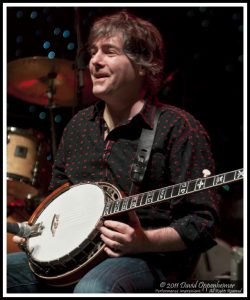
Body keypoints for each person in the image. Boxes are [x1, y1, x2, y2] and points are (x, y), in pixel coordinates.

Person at [7, 9, 219, 293]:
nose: (95, 61)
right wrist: (39, 232)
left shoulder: (179, 128)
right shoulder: (79, 126)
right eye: (93, 52)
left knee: (94, 288)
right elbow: (58, 197)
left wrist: (144, 241)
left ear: (143, 65)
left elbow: (203, 223)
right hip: (72, 260)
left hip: (147, 258)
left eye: (109, 51)